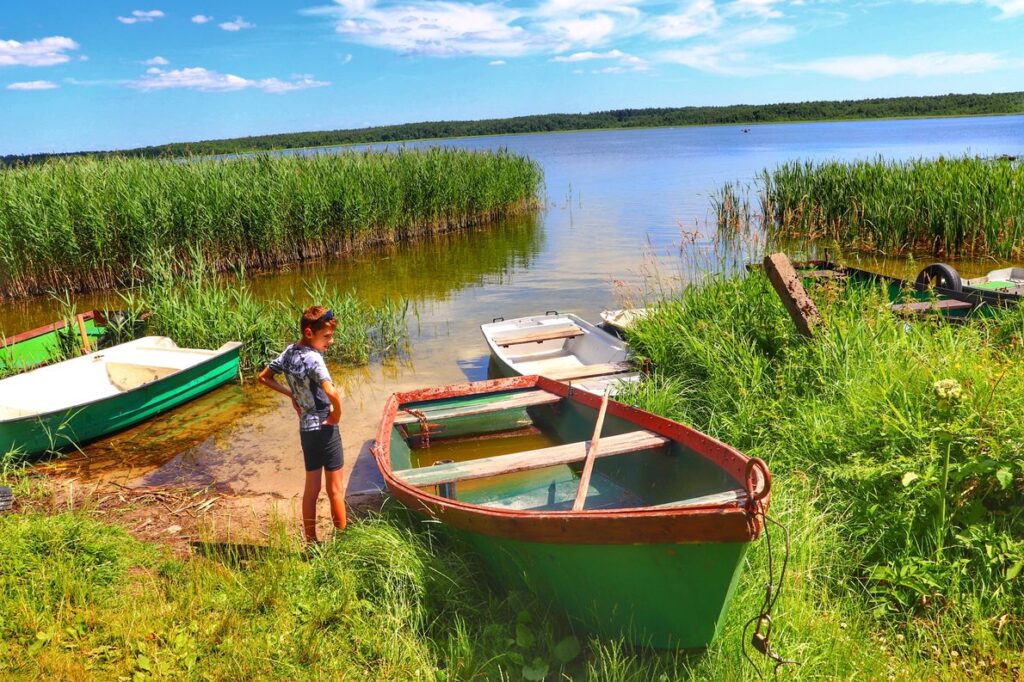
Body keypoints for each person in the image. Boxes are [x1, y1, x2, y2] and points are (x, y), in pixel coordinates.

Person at [258, 306, 346, 543]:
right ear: (309, 333)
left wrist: (291, 395)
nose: (331, 340)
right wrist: (336, 414)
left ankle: (311, 542)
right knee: (335, 490)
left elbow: (263, 377)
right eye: (326, 336)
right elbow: (332, 392)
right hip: (326, 428)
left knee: (311, 490)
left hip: (306, 429)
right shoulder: (314, 359)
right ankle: (344, 541)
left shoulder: (289, 352)